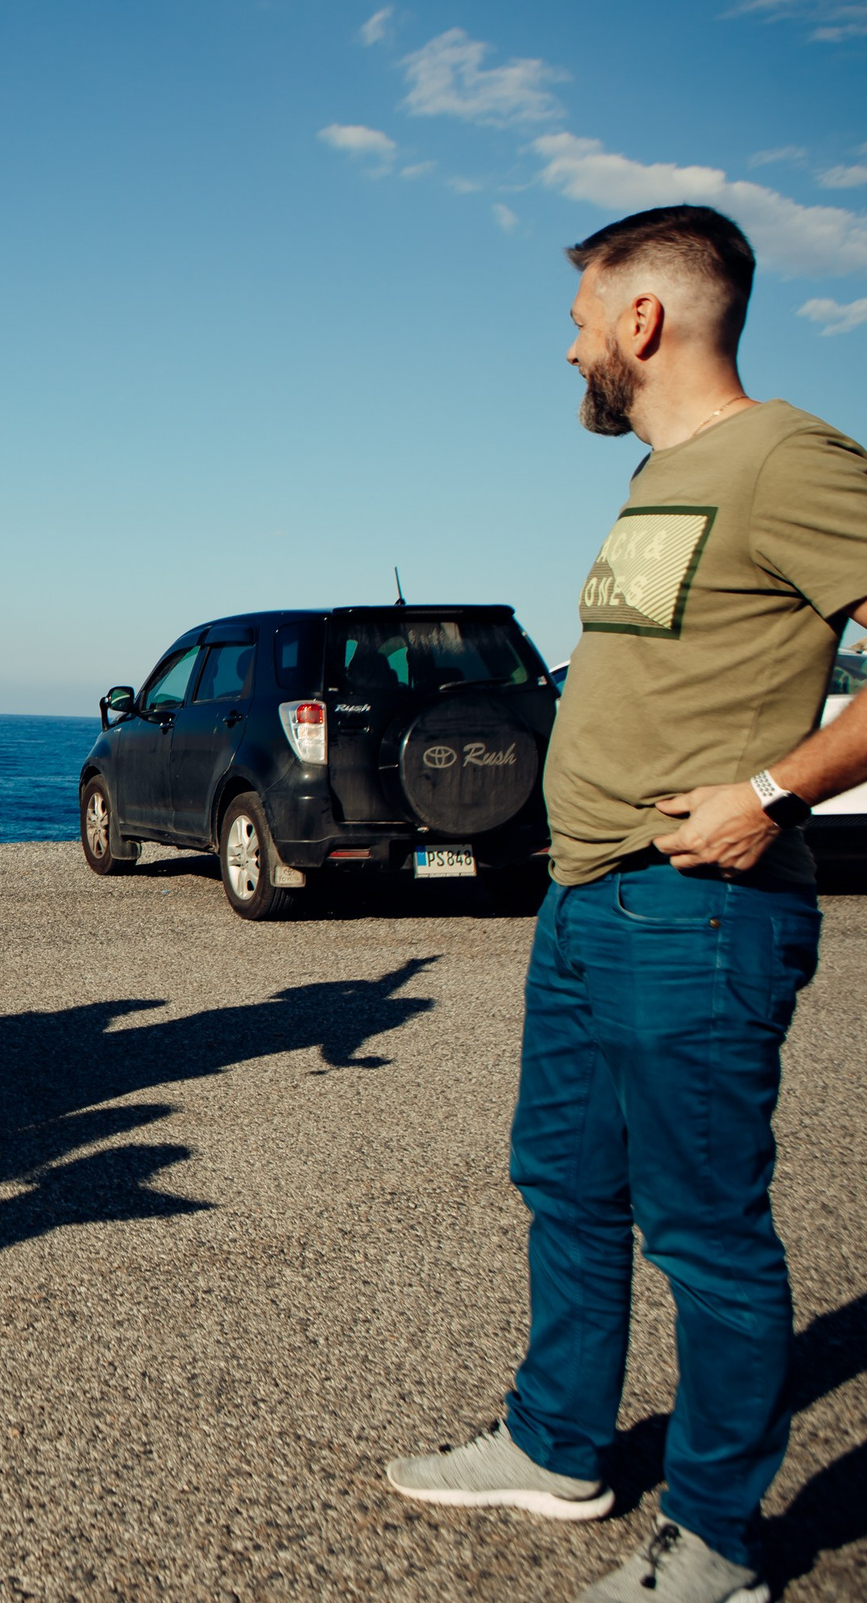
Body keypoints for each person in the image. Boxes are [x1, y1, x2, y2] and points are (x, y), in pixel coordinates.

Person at [385, 206, 867, 1603]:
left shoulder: (790, 459)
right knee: (568, 1188)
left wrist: (773, 788)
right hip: (590, 898)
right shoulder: (667, 478)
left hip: (699, 906)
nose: (573, 343)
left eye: (585, 314)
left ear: (646, 320)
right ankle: (558, 1445)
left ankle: (720, 1536)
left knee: (709, 1232)